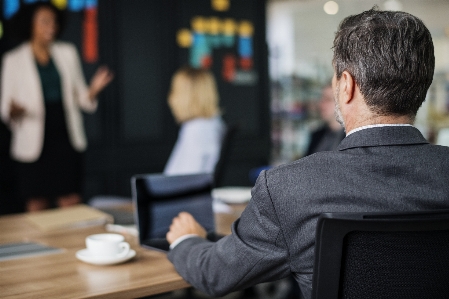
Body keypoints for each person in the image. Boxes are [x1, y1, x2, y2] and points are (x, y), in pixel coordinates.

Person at [165, 8, 449, 299]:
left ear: (347, 85)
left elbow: (214, 274)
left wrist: (187, 240)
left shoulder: (290, 189)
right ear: (422, 88)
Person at [0, 2, 113, 212]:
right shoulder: (13, 59)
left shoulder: (67, 52)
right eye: (44, 21)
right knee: (37, 204)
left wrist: (93, 90)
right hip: (32, 141)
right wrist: (14, 110)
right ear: (30, 25)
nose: (50, 26)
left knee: (70, 201)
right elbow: (5, 108)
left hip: (65, 136)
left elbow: (81, 98)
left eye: (53, 21)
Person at [164, 66, 225, 176]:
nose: (171, 98)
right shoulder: (213, 124)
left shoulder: (197, 130)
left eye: (174, 91)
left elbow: (185, 180)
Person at [305, 84, 345, 156]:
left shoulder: (353, 139)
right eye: (321, 99)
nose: (321, 104)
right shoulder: (317, 135)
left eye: (328, 99)